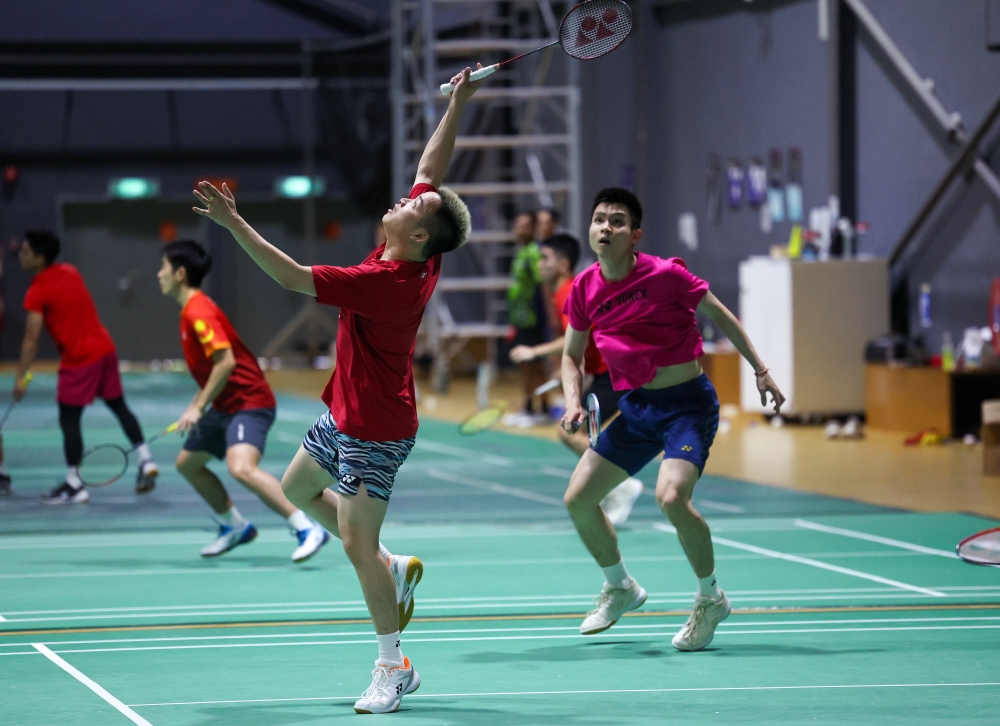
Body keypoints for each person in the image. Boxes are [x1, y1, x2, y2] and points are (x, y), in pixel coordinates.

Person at [191, 65, 480, 715]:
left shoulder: (384, 283)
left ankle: (392, 665)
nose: (406, 197)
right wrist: (459, 100)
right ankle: (392, 566)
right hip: (345, 412)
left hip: (377, 426)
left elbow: (293, 277)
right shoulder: (417, 250)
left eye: (412, 206)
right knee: (293, 490)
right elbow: (434, 168)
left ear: (418, 237)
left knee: (352, 544)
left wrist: (235, 225)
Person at [560, 188, 784, 651]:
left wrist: (760, 369)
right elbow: (571, 355)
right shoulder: (584, 288)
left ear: (635, 234)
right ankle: (621, 587)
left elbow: (720, 314)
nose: (606, 227)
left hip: (686, 407)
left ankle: (711, 598)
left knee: (671, 498)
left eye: (617, 221)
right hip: (638, 408)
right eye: (599, 219)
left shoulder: (665, 276)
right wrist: (572, 401)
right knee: (579, 500)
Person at [157, 239, 330, 562]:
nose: (158, 275)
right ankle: (234, 526)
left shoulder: (199, 311)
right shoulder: (191, 311)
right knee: (188, 464)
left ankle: (307, 527)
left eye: (163, 268)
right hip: (225, 406)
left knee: (241, 468)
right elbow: (214, 371)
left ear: (180, 273)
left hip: (250, 402)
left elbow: (226, 363)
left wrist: (197, 407)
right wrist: (196, 403)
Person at [15, 230, 159, 503]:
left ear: (39, 256)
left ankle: (74, 484)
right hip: (105, 350)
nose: (20, 255)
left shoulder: (36, 291)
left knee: (69, 418)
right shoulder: (70, 272)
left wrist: (20, 377)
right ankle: (145, 459)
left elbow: (31, 340)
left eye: (25, 251)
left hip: (80, 359)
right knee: (118, 405)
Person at [509, 233, 643, 526]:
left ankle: (621, 485)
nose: (539, 265)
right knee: (575, 432)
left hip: (617, 373)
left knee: (573, 433)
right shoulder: (564, 291)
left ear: (562, 264)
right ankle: (612, 486)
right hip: (607, 372)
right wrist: (569, 372)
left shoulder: (567, 291)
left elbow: (574, 340)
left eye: (545, 259)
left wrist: (534, 351)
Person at [505, 210, 550, 426]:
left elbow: (542, 286)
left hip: (532, 319)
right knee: (528, 366)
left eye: (524, 226)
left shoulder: (533, 253)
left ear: (532, 229)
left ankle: (538, 409)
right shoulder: (523, 252)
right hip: (520, 318)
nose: (519, 229)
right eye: (517, 225)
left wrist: (550, 318)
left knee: (533, 366)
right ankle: (533, 408)